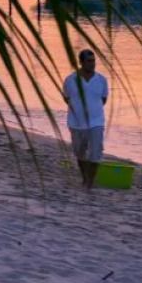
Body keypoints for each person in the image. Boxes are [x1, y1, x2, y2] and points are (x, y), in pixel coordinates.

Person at [61, 49, 108, 189]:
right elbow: (66, 97)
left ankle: (90, 182)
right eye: (89, 61)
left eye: (93, 61)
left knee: (95, 154)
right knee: (80, 153)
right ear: (81, 62)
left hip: (96, 122)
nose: (92, 64)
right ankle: (84, 177)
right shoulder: (71, 80)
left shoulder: (101, 79)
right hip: (76, 123)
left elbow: (104, 99)